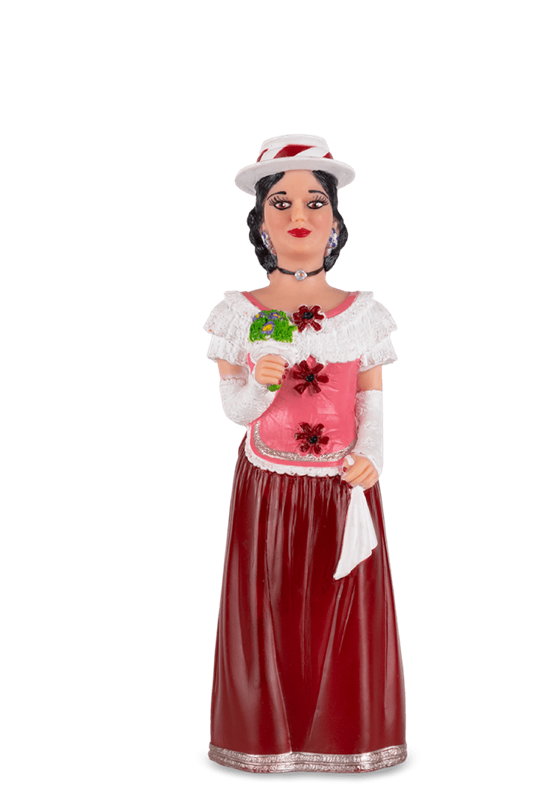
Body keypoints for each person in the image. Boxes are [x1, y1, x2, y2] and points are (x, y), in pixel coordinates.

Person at [203, 134, 406, 774]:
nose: (300, 215)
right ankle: (266, 740)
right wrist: (260, 385)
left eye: (316, 202)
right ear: (261, 223)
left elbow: (370, 403)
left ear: (336, 222)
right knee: (271, 604)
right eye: (282, 201)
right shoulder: (242, 313)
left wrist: (371, 457)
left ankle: (347, 739)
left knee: (342, 609)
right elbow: (235, 410)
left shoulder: (363, 314)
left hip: (343, 483)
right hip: (269, 480)